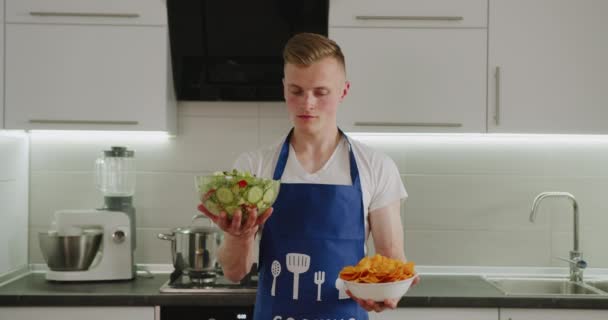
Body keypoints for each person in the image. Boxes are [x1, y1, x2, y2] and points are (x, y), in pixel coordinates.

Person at [198, 32, 415, 319]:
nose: (307, 103)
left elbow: (390, 260)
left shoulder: (375, 166)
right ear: (284, 88)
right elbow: (235, 272)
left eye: (320, 92)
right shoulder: (254, 168)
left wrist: (387, 293)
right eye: (296, 91)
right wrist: (240, 236)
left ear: (343, 91)